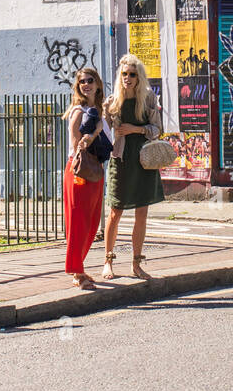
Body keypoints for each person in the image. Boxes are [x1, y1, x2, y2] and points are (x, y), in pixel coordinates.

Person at [102, 54, 164, 280]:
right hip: (121, 159)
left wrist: (135, 129)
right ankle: (108, 261)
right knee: (115, 211)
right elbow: (106, 134)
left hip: (144, 161)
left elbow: (158, 129)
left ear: (139, 77)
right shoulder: (112, 102)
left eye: (132, 74)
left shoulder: (148, 98)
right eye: (124, 74)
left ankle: (136, 264)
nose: (127, 78)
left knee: (142, 212)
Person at [62, 67, 107, 290]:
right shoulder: (79, 111)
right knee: (79, 223)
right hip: (80, 170)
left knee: (91, 223)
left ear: (97, 83)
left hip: (95, 169)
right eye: (82, 82)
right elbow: (77, 144)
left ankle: (79, 266)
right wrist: (96, 131)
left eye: (90, 80)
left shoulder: (97, 108)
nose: (86, 84)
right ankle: (76, 272)